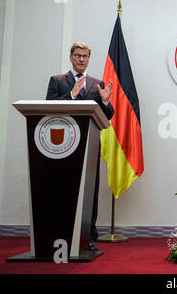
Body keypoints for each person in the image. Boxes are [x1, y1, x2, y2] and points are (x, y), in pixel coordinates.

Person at [46, 41, 114, 251]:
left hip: (90, 146)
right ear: (71, 57)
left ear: (88, 59)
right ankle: (61, 234)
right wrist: (72, 95)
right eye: (77, 55)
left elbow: (107, 116)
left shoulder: (97, 83)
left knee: (89, 193)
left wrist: (104, 102)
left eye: (85, 56)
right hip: (63, 146)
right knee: (63, 190)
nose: (81, 59)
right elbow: (48, 108)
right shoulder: (57, 81)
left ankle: (89, 236)